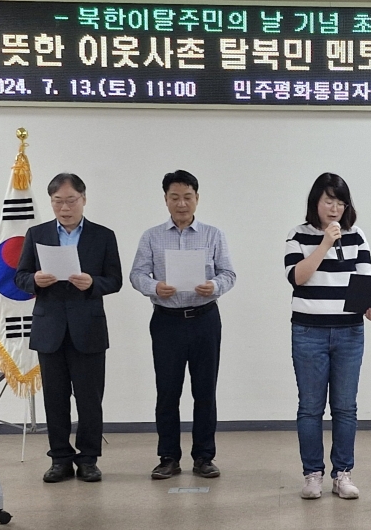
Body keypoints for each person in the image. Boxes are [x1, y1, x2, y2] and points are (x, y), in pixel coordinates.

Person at [15, 173, 122, 483]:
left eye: (71, 200)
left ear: (83, 199)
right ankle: (60, 459)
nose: (64, 208)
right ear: (51, 202)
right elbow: (20, 276)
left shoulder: (103, 236)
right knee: (55, 399)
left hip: (88, 329)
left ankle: (88, 459)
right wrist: (35, 280)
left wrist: (93, 283)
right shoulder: (37, 234)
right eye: (57, 201)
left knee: (89, 400)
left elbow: (115, 280)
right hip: (50, 329)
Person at [130, 170, 236, 480]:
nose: (181, 203)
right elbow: (137, 274)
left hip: (205, 319)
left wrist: (214, 286)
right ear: (165, 200)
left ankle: (204, 457)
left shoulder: (213, 235)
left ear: (197, 199)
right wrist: (154, 287)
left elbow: (229, 274)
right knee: (167, 391)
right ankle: (168, 457)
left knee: (205, 391)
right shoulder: (152, 237)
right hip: (167, 321)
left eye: (187, 197)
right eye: (174, 197)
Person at [284, 173, 371, 500]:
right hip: (308, 331)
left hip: (349, 331)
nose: (335, 208)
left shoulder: (357, 236)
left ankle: (342, 474)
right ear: (316, 202)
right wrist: (325, 243)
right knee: (310, 408)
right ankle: (312, 474)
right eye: (329, 201)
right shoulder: (297, 234)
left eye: (341, 202)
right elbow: (297, 277)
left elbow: (366, 284)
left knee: (345, 407)